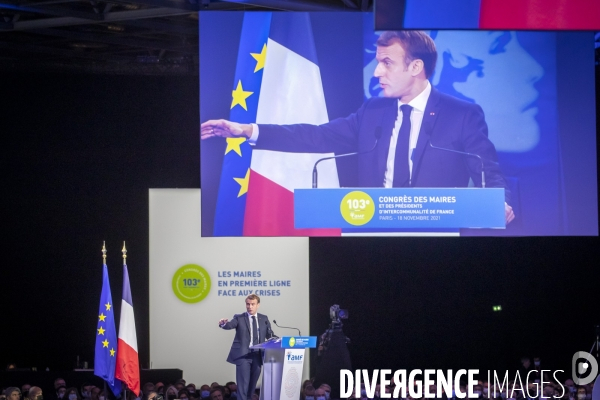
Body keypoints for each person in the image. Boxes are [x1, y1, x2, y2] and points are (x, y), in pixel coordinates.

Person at [202, 30, 515, 224]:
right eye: (377, 61)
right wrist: (247, 130)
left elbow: (487, 169)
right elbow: (317, 135)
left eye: (387, 63)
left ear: (416, 67)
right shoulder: (373, 111)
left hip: (439, 238)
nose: (377, 72)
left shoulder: (461, 114)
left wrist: (500, 201)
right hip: (374, 233)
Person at [218, 294, 275, 400]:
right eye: (248, 304)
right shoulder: (239, 318)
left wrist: (277, 339)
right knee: (243, 387)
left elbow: (269, 335)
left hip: (257, 356)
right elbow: (229, 325)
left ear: (258, 305)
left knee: (251, 387)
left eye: (253, 304)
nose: (250, 307)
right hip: (243, 356)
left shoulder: (264, 319)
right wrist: (223, 324)